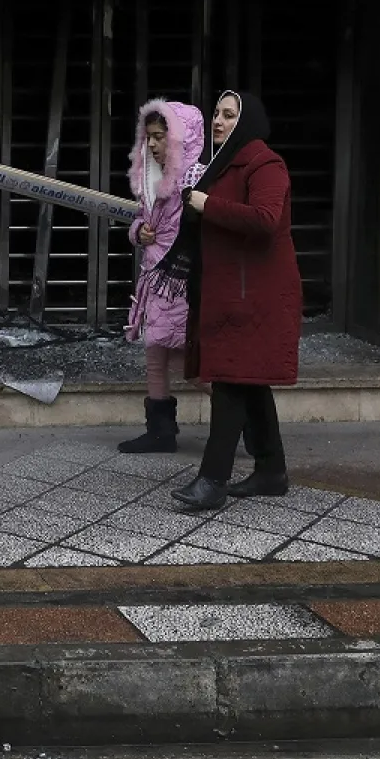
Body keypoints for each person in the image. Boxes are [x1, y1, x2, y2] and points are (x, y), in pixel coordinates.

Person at [152, 91, 302, 511]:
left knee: (231, 381)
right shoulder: (223, 164)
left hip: (255, 296)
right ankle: (272, 470)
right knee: (249, 382)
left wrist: (207, 204)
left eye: (229, 115)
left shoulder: (264, 163)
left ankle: (212, 479)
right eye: (216, 114)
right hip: (230, 293)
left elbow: (266, 220)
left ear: (248, 120)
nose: (218, 121)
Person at [119, 99, 206, 453]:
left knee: (185, 359)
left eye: (160, 137)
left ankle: (245, 418)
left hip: (180, 283)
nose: (152, 144)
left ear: (180, 139)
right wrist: (138, 232)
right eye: (149, 137)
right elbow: (143, 221)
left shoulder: (196, 181)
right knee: (155, 352)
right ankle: (160, 431)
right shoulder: (151, 179)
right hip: (155, 280)